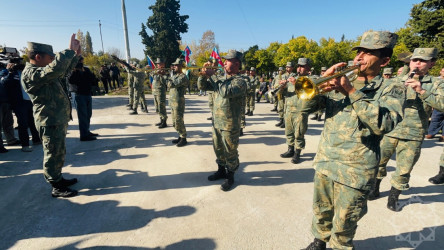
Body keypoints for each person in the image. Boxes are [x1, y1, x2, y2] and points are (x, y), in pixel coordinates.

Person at [300, 31, 404, 249]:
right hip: (327, 162)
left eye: (369, 53)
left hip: (355, 171)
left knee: (345, 223)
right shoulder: (340, 82)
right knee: (321, 211)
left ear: (384, 61)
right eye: (360, 52)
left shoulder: (392, 88)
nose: (360, 57)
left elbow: (382, 124)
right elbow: (306, 108)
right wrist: (318, 87)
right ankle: (318, 242)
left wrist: (350, 91)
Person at [370, 48, 444, 211]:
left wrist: (421, 91)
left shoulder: (437, 83)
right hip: (390, 130)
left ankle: (393, 196)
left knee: (404, 168)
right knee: (378, 162)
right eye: (414, 59)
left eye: (422, 60)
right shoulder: (396, 80)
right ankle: (374, 188)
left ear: (431, 63)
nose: (417, 63)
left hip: (413, 133)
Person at [21, 34, 81, 198]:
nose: (52, 60)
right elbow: (55, 69)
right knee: (52, 153)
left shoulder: (44, 71)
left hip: (56, 118)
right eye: (50, 57)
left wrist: (75, 56)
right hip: (48, 120)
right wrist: (69, 51)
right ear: (38, 57)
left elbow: (63, 71)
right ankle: (56, 186)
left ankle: (58, 178)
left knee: (59, 152)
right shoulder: (30, 74)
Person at [198, 50, 247, 191]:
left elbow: (226, 92)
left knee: (230, 151)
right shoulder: (221, 79)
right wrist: (203, 75)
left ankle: (230, 176)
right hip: (217, 121)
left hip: (230, 124)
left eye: (228, 60)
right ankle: (221, 170)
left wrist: (212, 76)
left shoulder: (241, 81)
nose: (224, 63)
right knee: (218, 149)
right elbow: (202, 87)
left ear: (236, 63)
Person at [280, 58, 313, 164]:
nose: (299, 68)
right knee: (288, 132)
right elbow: (285, 94)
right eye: (298, 66)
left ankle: (297, 153)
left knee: (299, 133)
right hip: (289, 109)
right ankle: (290, 150)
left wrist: (295, 84)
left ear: (308, 68)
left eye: (302, 66)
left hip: (300, 111)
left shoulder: (311, 79)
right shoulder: (292, 77)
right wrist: (282, 87)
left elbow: (309, 92)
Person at [3, 62, 41, 152]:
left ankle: (36, 139)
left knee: (33, 122)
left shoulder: (27, 72)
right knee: (23, 124)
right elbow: (4, 83)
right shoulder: (9, 73)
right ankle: (25, 144)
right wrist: (10, 72)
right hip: (19, 103)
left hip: (30, 101)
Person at [68, 56, 99, 141]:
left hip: (88, 94)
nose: (82, 63)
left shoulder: (86, 69)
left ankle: (87, 131)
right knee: (82, 115)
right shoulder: (73, 71)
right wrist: (76, 71)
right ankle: (83, 135)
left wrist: (85, 72)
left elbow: (93, 79)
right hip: (79, 95)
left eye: (82, 61)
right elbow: (71, 81)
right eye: (80, 61)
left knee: (88, 114)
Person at [168, 58, 189, 147]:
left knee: (178, 121)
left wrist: (168, 76)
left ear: (180, 66)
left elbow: (171, 84)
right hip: (172, 102)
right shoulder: (174, 76)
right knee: (174, 122)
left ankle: (183, 137)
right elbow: (168, 86)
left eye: (176, 65)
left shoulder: (183, 77)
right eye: (174, 65)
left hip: (178, 102)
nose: (174, 67)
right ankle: (180, 135)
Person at [425, 67, 444, 141]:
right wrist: (431, 103)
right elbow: (431, 91)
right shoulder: (435, 80)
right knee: (435, 118)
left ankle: (443, 136)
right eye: (443, 71)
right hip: (437, 102)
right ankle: (431, 133)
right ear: (440, 72)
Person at [274, 62, 295, 128]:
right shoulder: (283, 75)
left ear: (292, 68)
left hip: (289, 94)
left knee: (286, 109)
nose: (287, 68)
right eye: (286, 67)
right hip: (282, 92)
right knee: (280, 107)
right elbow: (278, 83)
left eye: (288, 67)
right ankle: (281, 119)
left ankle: (285, 122)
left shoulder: (294, 75)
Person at [151, 58, 168, 128]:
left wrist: (162, 74)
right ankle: (161, 119)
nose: (159, 65)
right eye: (158, 64)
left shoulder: (166, 71)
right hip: (155, 92)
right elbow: (151, 74)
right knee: (157, 107)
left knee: (161, 107)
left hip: (160, 91)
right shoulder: (156, 70)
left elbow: (166, 81)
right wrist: (156, 71)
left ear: (163, 64)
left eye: (160, 64)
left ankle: (164, 121)